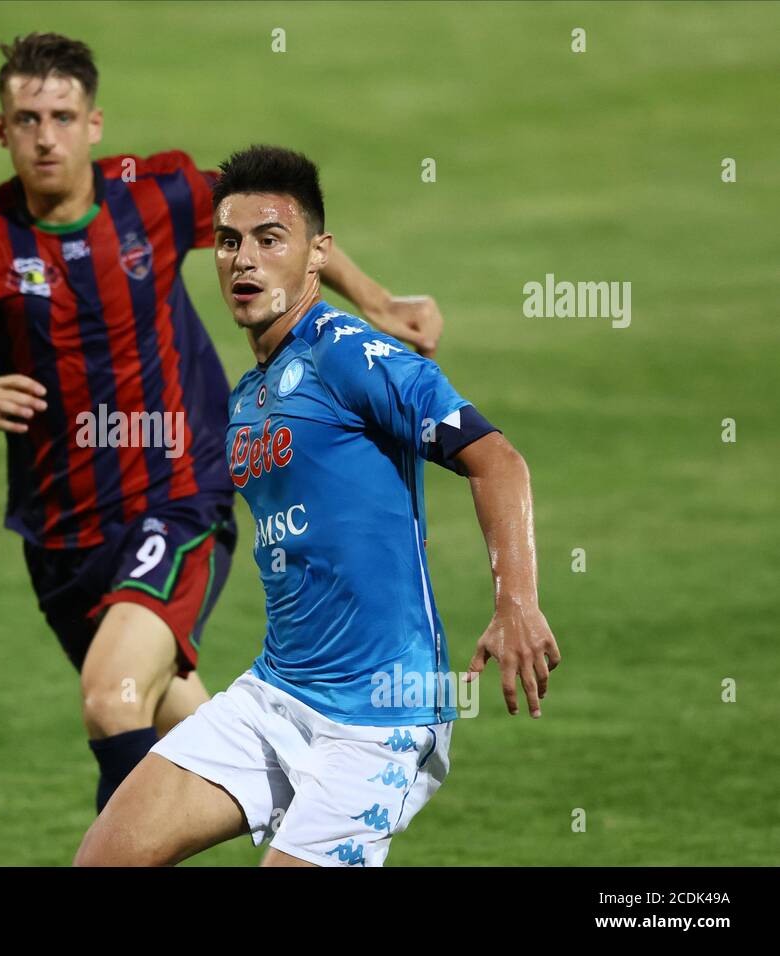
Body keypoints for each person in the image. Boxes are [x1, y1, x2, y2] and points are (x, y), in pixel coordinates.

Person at [0, 34, 447, 815]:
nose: (44, 136)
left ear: (94, 124)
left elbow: (274, 220)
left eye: (61, 115)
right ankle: (333, 810)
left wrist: (377, 302)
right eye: (25, 118)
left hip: (178, 493)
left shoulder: (153, 194)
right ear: (0, 129)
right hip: (60, 534)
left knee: (111, 698)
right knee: (187, 732)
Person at [74, 145, 560, 866]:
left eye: (270, 240)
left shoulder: (353, 355)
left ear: (316, 254)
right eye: (229, 242)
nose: (245, 260)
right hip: (276, 694)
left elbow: (497, 461)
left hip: (380, 721)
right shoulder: (248, 400)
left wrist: (515, 600)